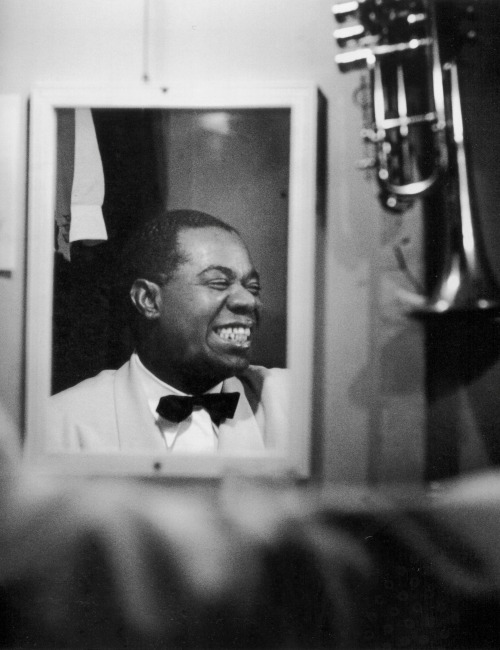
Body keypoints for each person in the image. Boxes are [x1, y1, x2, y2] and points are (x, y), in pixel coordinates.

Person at [48, 209, 289, 453]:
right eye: (218, 283)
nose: (248, 300)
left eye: (253, 286)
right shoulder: (63, 425)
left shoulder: (292, 401)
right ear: (149, 299)